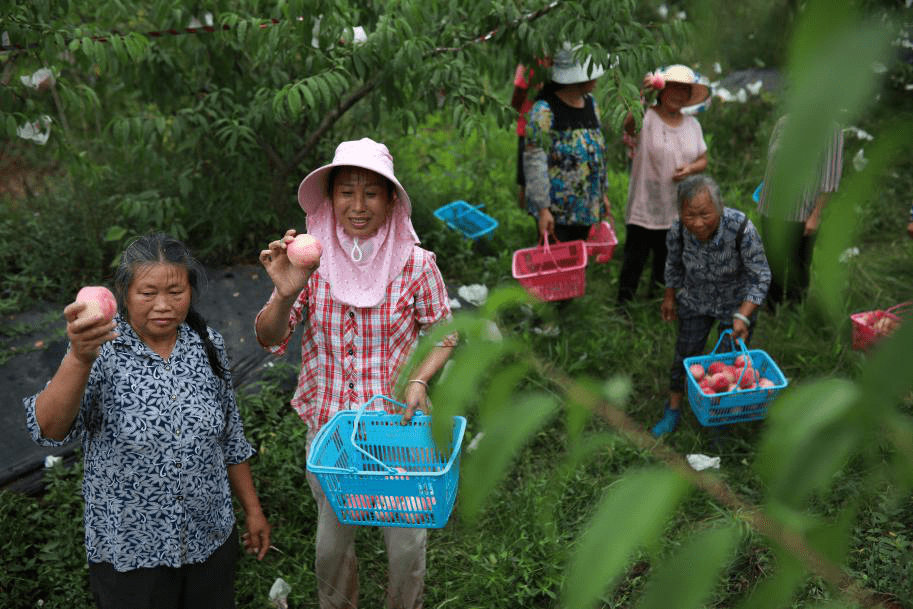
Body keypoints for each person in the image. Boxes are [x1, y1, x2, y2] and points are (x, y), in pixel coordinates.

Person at [255, 138, 455, 609]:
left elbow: (444, 332)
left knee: (405, 548)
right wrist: (285, 294)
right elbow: (270, 338)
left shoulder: (415, 264)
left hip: (397, 433)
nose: (358, 206)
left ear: (391, 201)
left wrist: (419, 379)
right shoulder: (309, 263)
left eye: (371, 193)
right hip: (330, 431)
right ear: (330, 199)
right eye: (347, 192)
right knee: (331, 550)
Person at [23, 233, 271, 609]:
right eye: (147, 293)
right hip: (132, 554)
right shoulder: (99, 349)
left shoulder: (207, 345)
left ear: (191, 290)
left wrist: (252, 510)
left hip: (209, 539)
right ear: (124, 293)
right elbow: (49, 430)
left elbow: (230, 438)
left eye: (175, 291)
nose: (163, 305)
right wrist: (78, 358)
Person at [652, 175, 771, 437]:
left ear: (719, 206)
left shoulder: (741, 229)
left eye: (705, 214)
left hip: (736, 303)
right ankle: (673, 408)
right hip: (696, 299)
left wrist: (743, 315)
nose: (697, 223)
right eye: (689, 215)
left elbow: (761, 275)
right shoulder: (677, 230)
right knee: (685, 355)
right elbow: (672, 264)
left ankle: (720, 417)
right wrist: (669, 297)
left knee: (729, 364)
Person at [617, 64, 710, 306]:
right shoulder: (646, 117)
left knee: (666, 260)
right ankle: (623, 306)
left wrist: (689, 169)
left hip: (675, 207)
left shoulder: (693, 126)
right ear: (661, 90)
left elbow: (703, 159)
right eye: (673, 88)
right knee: (634, 260)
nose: (678, 94)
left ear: (690, 96)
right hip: (645, 203)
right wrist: (642, 96)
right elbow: (628, 126)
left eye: (684, 90)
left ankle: (656, 302)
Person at [523, 42, 610, 245]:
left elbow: (597, 153)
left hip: (586, 209)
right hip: (557, 214)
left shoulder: (591, 104)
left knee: (579, 265)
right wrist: (543, 210)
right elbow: (534, 161)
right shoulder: (544, 110)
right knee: (557, 267)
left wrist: (602, 195)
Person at [756, 114, 843, 307]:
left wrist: (816, 214)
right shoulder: (784, 122)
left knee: (799, 265)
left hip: (802, 211)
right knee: (772, 260)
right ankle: (772, 308)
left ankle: (796, 312)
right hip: (772, 207)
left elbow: (830, 179)